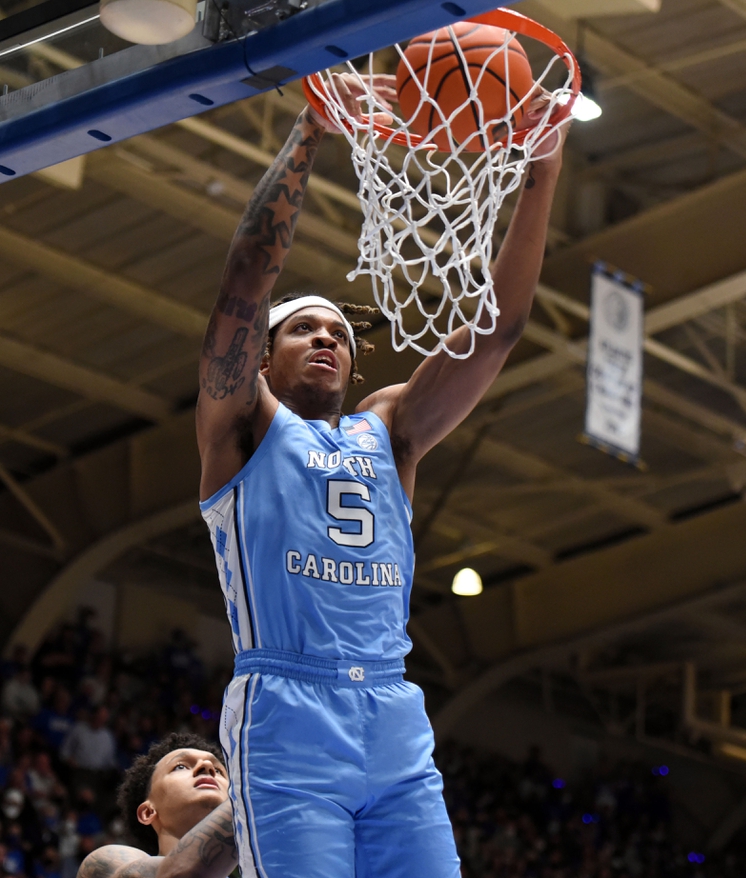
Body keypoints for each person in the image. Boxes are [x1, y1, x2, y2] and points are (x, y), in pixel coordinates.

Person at [194, 72, 569, 878]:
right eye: (303, 329)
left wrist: (542, 164)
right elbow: (244, 280)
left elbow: (497, 330)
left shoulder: (392, 431)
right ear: (263, 355)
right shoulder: (242, 429)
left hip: (393, 714)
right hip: (287, 710)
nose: (326, 338)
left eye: (339, 331)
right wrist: (312, 134)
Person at [73, 732, 235, 878]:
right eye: (180, 767)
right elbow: (178, 873)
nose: (206, 767)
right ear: (148, 812)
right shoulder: (107, 861)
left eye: (219, 770)